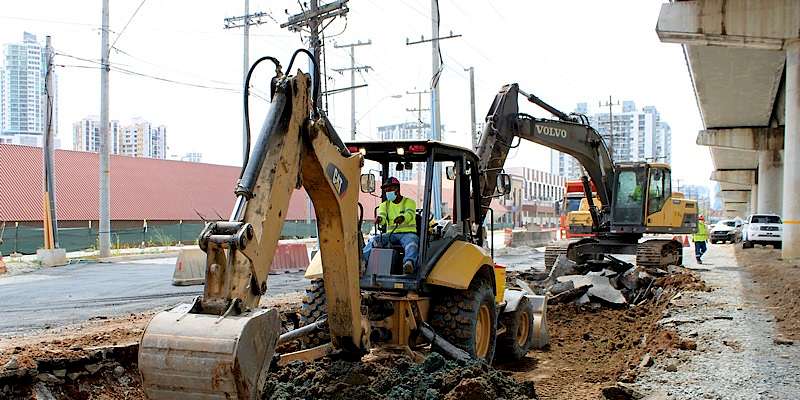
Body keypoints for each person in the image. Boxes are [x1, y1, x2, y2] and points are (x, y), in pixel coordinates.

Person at [362, 177, 419, 274]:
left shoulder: (409, 202)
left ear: (397, 189)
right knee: (374, 240)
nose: (387, 192)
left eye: (389, 190)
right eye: (386, 190)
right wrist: (380, 219)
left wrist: (403, 218)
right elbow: (383, 216)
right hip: (391, 235)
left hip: (408, 233)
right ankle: (362, 262)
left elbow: (410, 214)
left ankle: (408, 264)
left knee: (412, 242)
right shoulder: (384, 205)